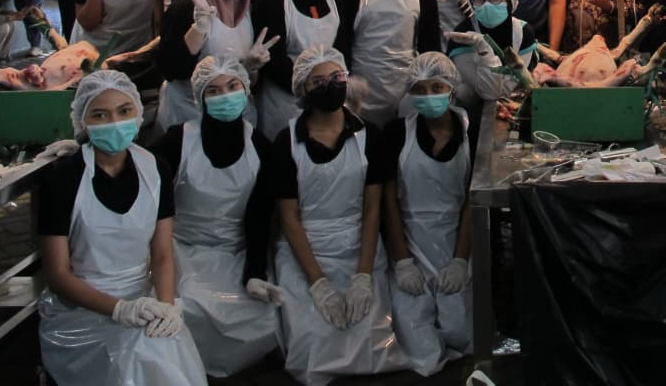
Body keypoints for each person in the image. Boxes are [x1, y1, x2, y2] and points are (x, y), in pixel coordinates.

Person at [38, 71, 206, 386]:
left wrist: (166, 307)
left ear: (138, 114)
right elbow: (58, 275)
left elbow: (162, 254)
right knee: (142, 362)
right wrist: (119, 309)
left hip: (143, 301)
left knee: (161, 353)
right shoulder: (63, 179)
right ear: (83, 121)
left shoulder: (155, 169)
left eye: (124, 111)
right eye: (100, 115)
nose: (115, 122)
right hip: (80, 312)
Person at [270, 45, 406, 385]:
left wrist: (363, 276)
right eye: (318, 82)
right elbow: (289, 218)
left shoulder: (369, 136)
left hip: (357, 244)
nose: (330, 86)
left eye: (336, 77)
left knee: (371, 339)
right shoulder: (287, 142)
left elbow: (372, 209)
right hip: (305, 249)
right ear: (303, 89)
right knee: (313, 345)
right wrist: (319, 284)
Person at [150, 56, 279, 377]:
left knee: (264, 314)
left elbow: (260, 216)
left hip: (234, 252)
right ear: (200, 98)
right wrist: (83, 148)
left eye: (232, 86)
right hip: (182, 251)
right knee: (187, 306)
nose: (225, 96)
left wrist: (254, 273)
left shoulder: (260, 146)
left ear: (246, 89)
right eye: (214, 90)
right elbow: (138, 173)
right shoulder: (178, 140)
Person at [383, 53, 475, 374]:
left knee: (461, 329)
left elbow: (472, 201)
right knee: (418, 342)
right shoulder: (397, 133)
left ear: (451, 88)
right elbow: (389, 201)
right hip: (410, 241)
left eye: (436, 87)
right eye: (420, 89)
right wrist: (402, 262)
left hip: (457, 238)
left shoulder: (471, 131)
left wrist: (460, 260)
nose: (428, 95)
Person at [156, 0, 274, 132]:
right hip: (189, 111)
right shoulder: (188, 7)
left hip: (234, 108)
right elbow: (171, 68)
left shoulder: (246, 7)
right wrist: (198, 29)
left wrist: (249, 67)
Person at [251, 0, 343, 140]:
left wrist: (331, 85)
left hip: (330, 91)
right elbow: (273, 59)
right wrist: (309, 87)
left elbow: (342, 43)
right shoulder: (270, 0)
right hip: (286, 100)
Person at [443, 0, 538, 121]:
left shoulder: (523, 32)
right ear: (472, 0)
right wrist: (484, 50)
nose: (487, 3)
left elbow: (511, 86)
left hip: (510, 105)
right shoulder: (463, 34)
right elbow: (487, 92)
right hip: (469, 110)